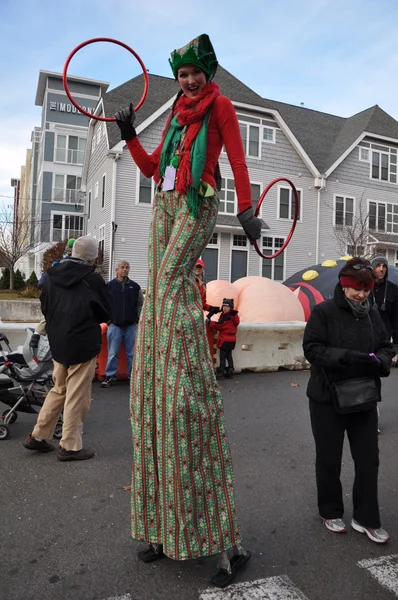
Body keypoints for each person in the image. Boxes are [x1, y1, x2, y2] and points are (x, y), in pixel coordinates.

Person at [114, 33, 260, 587]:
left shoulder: (219, 106)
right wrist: (130, 137)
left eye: (195, 74)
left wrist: (245, 208)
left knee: (172, 278)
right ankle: (161, 527)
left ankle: (180, 369)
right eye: (182, 76)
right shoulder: (176, 111)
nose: (190, 82)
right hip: (166, 203)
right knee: (159, 288)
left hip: (198, 202)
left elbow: (240, 158)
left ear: (207, 73)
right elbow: (154, 170)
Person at [303, 258, 394, 543]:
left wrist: (381, 360)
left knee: (369, 460)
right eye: (356, 289)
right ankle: (330, 510)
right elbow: (312, 349)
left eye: (366, 290)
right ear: (344, 286)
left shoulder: (372, 314)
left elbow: (385, 346)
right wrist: (344, 357)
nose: (361, 295)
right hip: (326, 397)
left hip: (364, 396)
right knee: (329, 458)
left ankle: (365, 518)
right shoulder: (323, 311)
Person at [23, 236, 111, 461]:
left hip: (58, 341)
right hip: (83, 343)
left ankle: (38, 435)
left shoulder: (51, 276)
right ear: (92, 258)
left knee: (58, 389)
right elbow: (106, 313)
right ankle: (70, 446)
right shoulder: (93, 280)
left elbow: (45, 308)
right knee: (76, 395)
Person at [101, 260, 144, 388]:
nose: (124, 270)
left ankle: (133, 377)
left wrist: (138, 320)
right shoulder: (109, 286)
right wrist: (109, 321)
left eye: (127, 267)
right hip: (115, 325)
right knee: (113, 353)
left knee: (132, 354)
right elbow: (103, 305)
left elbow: (140, 305)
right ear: (117, 270)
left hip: (131, 326)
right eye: (122, 267)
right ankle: (110, 376)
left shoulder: (135, 287)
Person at [370, 253, 398, 354]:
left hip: (385, 339)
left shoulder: (393, 289)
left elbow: (396, 318)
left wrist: (396, 344)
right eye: (378, 265)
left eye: (384, 266)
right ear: (372, 268)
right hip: (367, 337)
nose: (382, 269)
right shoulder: (365, 288)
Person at [208, 298, 239, 379]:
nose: (225, 308)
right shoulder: (234, 316)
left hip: (225, 340)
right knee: (229, 356)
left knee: (222, 357)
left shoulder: (227, 317)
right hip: (232, 340)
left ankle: (221, 372)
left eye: (227, 306)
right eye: (224, 306)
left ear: (231, 308)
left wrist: (209, 322)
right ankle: (230, 371)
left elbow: (220, 325)